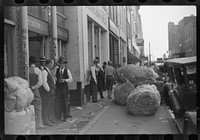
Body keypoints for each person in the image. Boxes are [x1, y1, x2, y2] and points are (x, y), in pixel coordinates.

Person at [29, 56, 46, 129]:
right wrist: (33, 87)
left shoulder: (26, 70)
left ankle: (30, 124)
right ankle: (38, 124)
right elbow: (40, 83)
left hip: (26, 90)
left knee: (28, 107)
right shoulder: (37, 70)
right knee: (38, 107)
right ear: (36, 62)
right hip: (34, 90)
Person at [55, 56, 73, 121]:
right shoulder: (57, 70)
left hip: (64, 88)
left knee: (65, 102)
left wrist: (65, 80)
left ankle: (65, 116)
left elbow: (71, 79)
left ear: (65, 64)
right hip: (58, 88)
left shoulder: (67, 71)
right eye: (60, 63)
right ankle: (58, 116)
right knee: (58, 102)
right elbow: (55, 78)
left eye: (63, 63)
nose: (61, 64)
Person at [40, 59, 56, 126]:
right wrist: (49, 90)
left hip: (51, 92)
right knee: (46, 106)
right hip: (47, 93)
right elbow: (44, 82)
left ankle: (49, 119)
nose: (53, 65)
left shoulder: (49, 71)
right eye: (52, 64)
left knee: (49, 106)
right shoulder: (44, 71)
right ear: (49, 64)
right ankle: (46, 121)